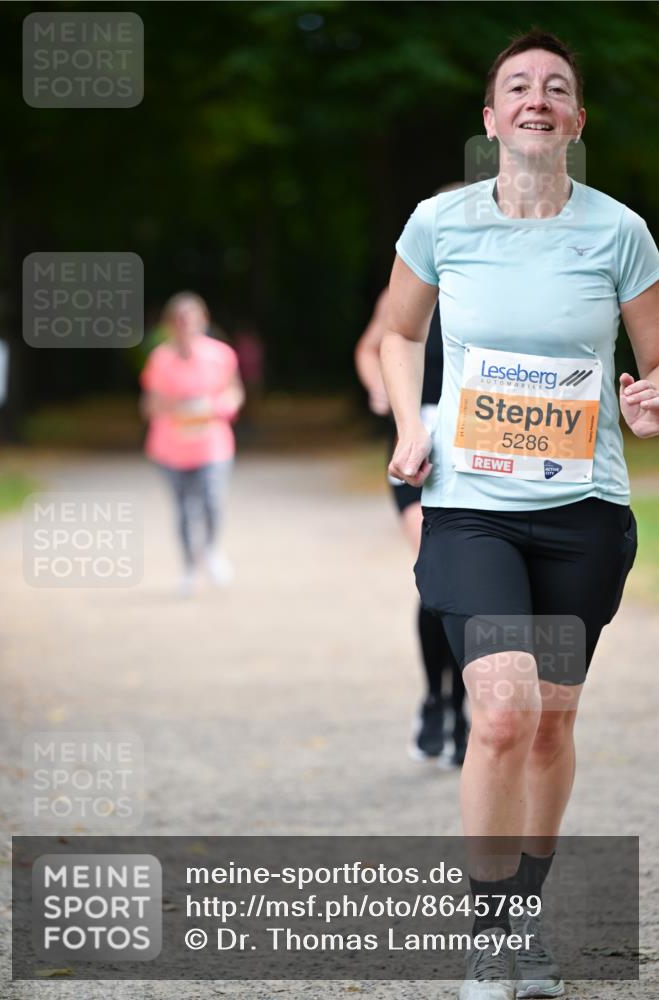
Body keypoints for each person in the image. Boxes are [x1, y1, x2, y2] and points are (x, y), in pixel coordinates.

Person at [380, 29, 659, 1000]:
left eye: (556, 88)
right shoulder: (440, 223)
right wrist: (407, 422)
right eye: (517, 87)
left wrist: (647, 399)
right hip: (470, 509)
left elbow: (657, 363)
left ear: (575, 122)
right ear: (491, 119)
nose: (536, 98)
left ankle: (524, 914)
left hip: (584, 512)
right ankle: (489, 936)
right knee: (501, 710)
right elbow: (392, 332)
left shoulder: (620, 232)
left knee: (550, 724)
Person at [355, 279, 468, 766]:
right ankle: (434, 700)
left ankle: (464, 709)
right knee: (439, 574)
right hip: (415, 447)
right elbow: (370, 347)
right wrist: (378, 387)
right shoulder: (408, 287)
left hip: (476, 448)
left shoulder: (496, 283)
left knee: (473, 586)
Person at [140, 292, 245, 596]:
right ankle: (187, 566)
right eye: (178, 319)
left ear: (204, 321)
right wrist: (176, 407)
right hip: (171, 448)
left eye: (191, 318)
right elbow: (149, 404)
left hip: (213, 444)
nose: (185, 324)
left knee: (213, 500)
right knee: (184, 510)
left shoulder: (221, 355)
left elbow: (234, 392)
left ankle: (211, 549)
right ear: (169, 324)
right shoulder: (159, 359)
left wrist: (219, 406)